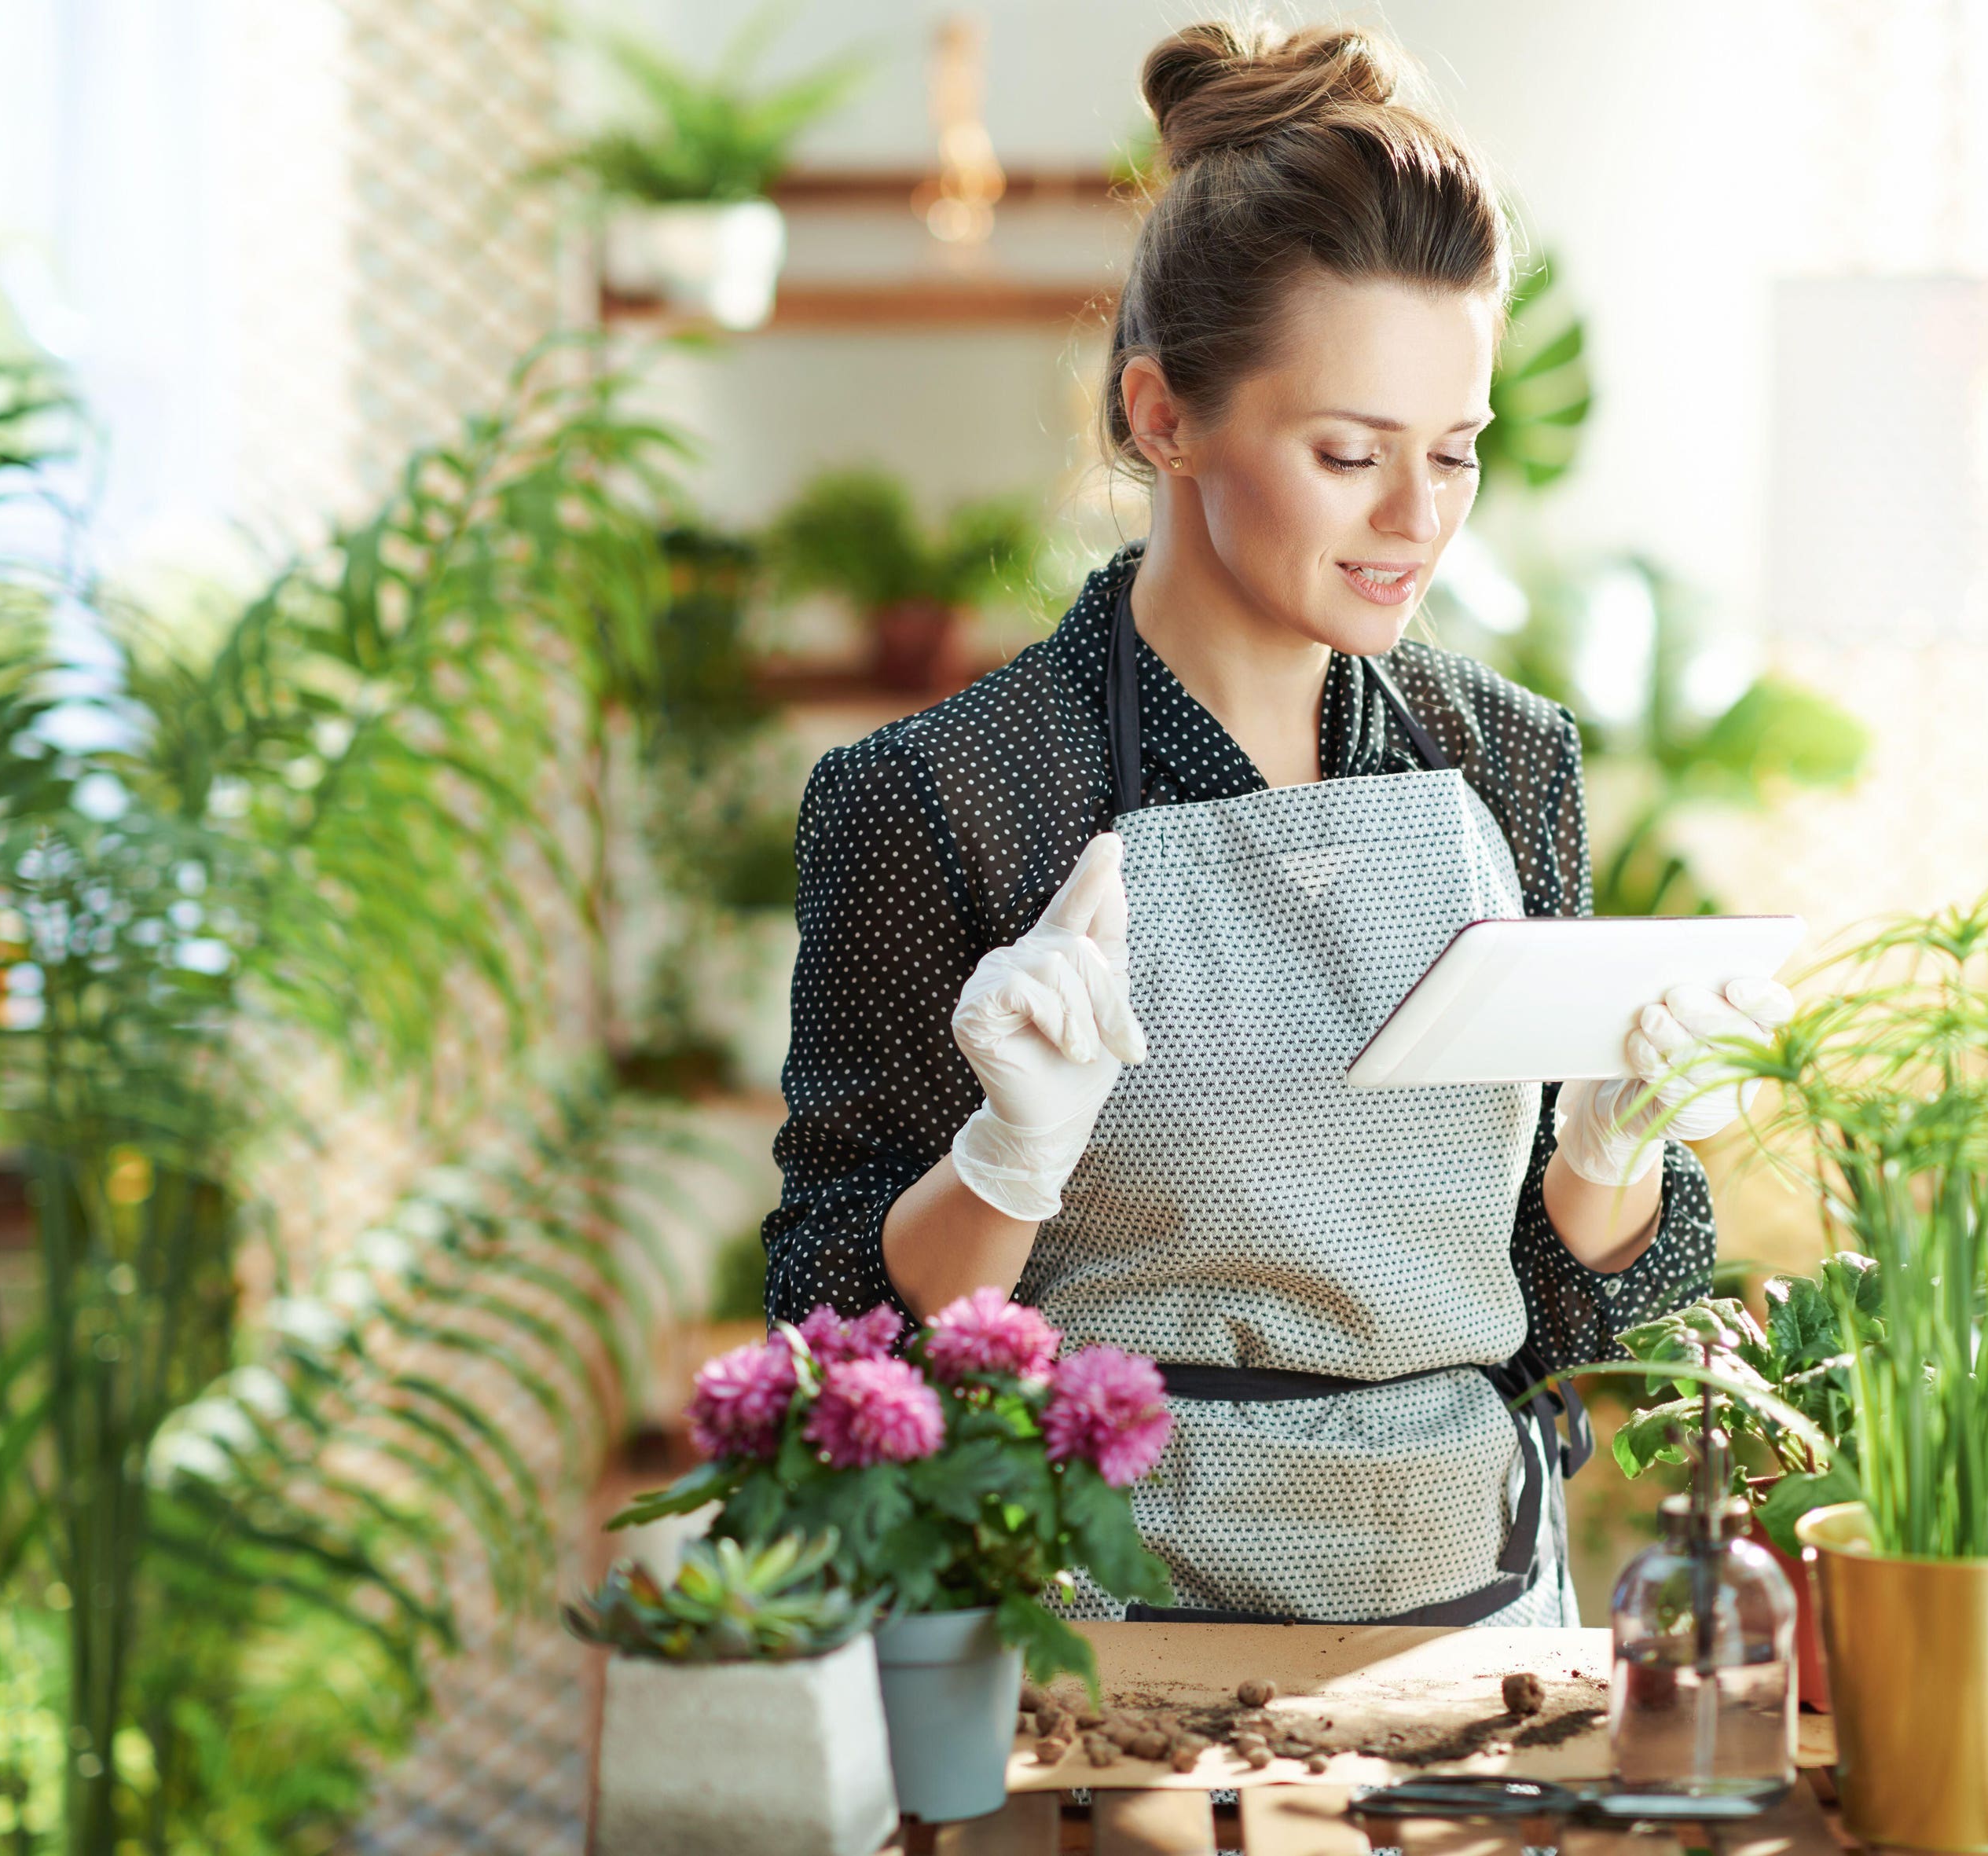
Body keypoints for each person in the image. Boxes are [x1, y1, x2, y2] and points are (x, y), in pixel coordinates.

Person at [761, 19, 1788, 1627]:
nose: (1415, 520)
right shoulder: (940, 794)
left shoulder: (1501, 764)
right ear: (1162, 415)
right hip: (1091, 1658)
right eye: (1345, 454)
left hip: (1470, 1634)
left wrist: (1613, 1148)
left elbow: (1582, 1313)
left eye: (1452, 454)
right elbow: (828, 1332)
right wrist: (1004, 1158)